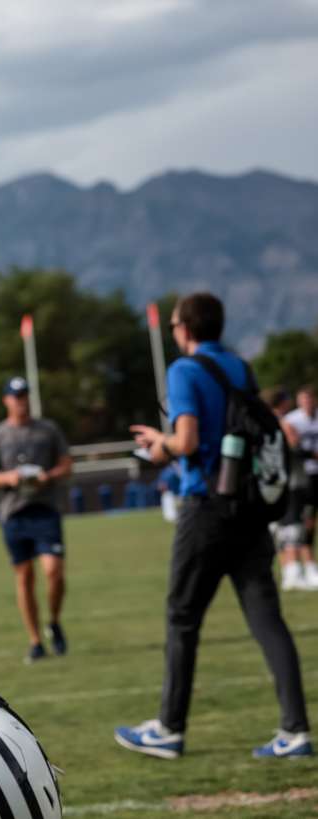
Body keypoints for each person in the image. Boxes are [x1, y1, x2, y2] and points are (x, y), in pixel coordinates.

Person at [117, 292, 311, 759]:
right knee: (267, 618)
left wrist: (158, 443)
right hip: (247, 508)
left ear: (185, 328)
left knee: (182, 618)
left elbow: (187, 441)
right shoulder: (240, 368)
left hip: (205, 507)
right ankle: (296, 730)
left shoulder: (184, 370)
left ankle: (169, 727)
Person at [0, 376, 73, 663]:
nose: (21, 401)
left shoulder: (47, 430)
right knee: (24, 578)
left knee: (53, 572)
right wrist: (8, 477)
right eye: (15, 396)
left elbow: (67, 464)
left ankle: (54, 621)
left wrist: (49, 476)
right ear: (6, 400)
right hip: (14, 514)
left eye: (24, 395)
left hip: (45, 510)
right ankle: (35, 641)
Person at [281, 384, 318, 589]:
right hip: (299, 479)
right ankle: (294, 569)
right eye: (303, 400)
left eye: (309, 399)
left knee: (304, 522)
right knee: (297, 523)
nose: (307, 403)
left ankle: (302, 569)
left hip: (308, 478)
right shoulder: (290, 421)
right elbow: (294, 447)